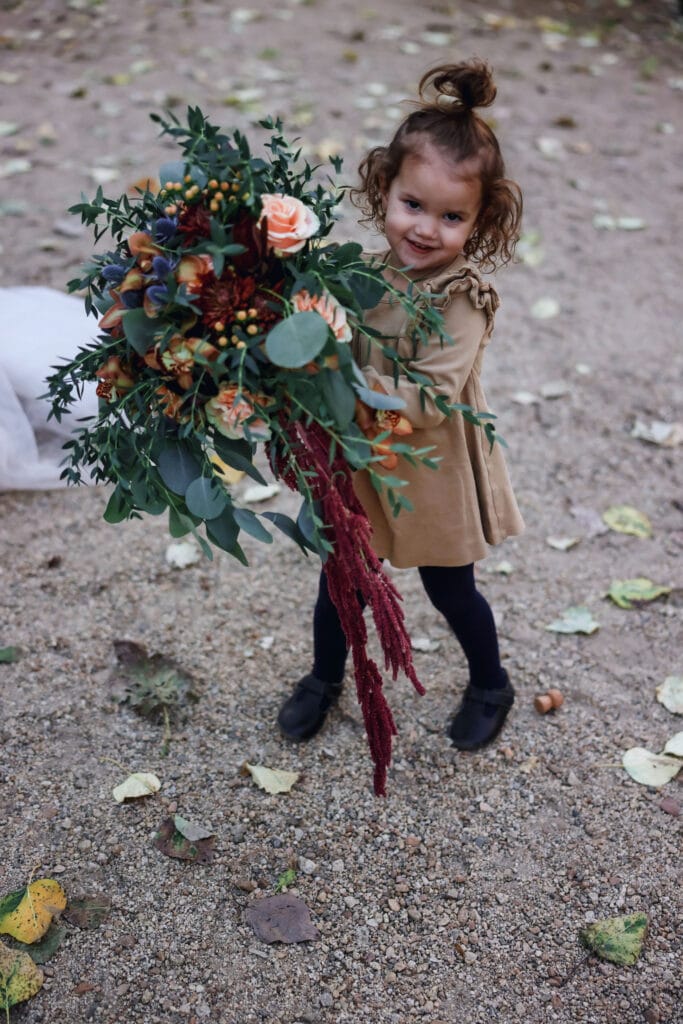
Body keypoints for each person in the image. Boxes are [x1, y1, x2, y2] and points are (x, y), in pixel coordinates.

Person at [278, 59, 525, 752]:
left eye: (451, 217)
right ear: (383, 187)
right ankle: (325, 677)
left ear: (479, 222)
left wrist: (339, 378)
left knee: (451, 590)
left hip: (429, 465)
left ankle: (490, 683)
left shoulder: (461, 298)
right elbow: (324, 333)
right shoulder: (360, 272)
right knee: (343, 583)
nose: (425, 229)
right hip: (359, 459)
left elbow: (432, 397)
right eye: (413, 205)